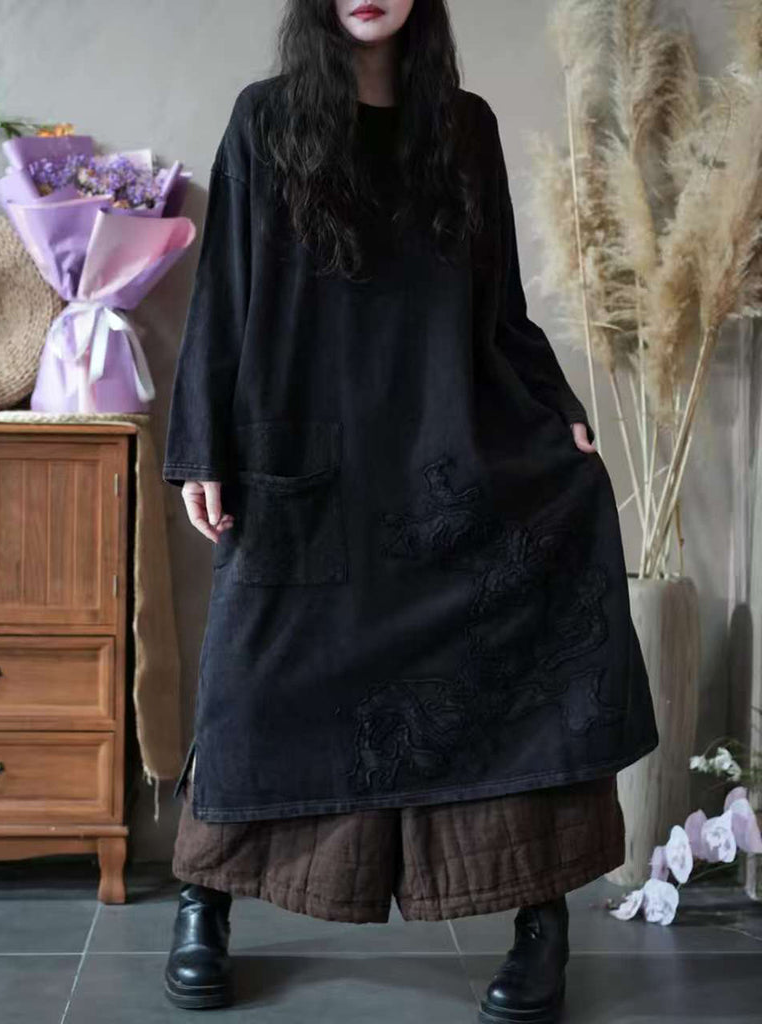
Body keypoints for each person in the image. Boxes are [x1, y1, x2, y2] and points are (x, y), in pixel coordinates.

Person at [160, 2, 659, 1021]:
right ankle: (202, 899)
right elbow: (224, 294)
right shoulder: (265, 120)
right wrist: (201, 445)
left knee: (516, 671)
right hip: (306, 464)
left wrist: (557, 412)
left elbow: (500, 308)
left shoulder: (463, 128)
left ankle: (540, 918)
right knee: (251, 684)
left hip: (445, 457)